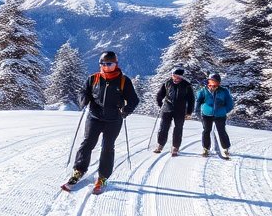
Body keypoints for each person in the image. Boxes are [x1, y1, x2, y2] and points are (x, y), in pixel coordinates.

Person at [64, 51, 140, 193]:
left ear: (116, 64)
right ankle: (78, 171)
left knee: (107, 147)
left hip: (114, 119)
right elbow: (84, 92)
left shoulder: (124, 81)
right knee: (87, 143)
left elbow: (134, 100)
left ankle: (103, 177)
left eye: (109, 64)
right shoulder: (93, 78)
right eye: (103, 64)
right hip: (94, 117)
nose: (106, 66)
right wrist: (83, 100)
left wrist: (126, 110)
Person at [154, 67, 195, 156]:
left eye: (177, 77)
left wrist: (189, 112)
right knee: (163, 127)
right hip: (167, 108)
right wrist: (160, 104)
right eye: (173, 76)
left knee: (178, 128)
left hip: (180, 110)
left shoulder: (187, 85)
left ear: (181, 77)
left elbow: (191, 100)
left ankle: (175, 147)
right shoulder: (167, 83)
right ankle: (160, 145)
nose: (175, 78)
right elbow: (160, 95)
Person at [196, 72, 234, 159]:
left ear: (218, 83)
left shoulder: (224, 91)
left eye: (214, 81)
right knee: (206, 131)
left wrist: (224, 110)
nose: (212, 83)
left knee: (221, 131)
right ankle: (206, 148)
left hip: (220, 115)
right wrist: (197, 111)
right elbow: (198, 101)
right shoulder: (204, 90)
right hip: (206, 114)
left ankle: (226, 148)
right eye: (210, 81)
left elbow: (230, 104)